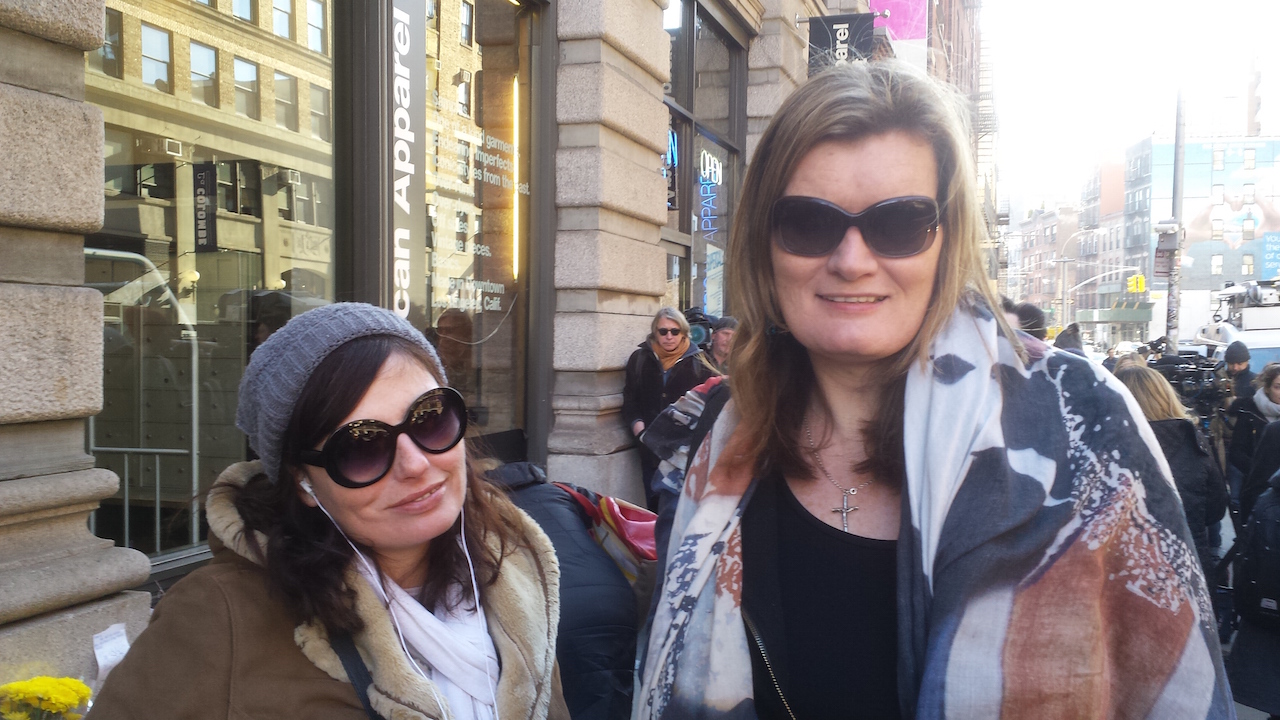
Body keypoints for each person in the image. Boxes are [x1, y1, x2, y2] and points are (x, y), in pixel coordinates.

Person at [634, 60, 1231, 720]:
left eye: (900, 223)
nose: (852, 259)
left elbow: (1174, 688)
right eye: (809, 221)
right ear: (763, 242)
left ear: (946, 241)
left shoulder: (1080, 419)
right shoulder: (714, 441)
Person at [89, 303, 567, 720]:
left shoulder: (513, 570)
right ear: (302, 481)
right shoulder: (221, 615)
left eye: (430, 418)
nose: (417, 465)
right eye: (361, 447)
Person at [1114, 364, 1228, 575]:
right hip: (1188, 569)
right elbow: (1215, 510)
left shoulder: (1105, 449)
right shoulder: (1193, 440)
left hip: (1126, 573)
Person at [622, 307, 716, 509]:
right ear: (655, 332)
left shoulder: (702, 362)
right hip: (650, 452)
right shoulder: (639, 359)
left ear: (683, 332)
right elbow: (630, 401)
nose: (669, 337)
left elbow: (712, 408)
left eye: (675, 331)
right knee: (654, 512)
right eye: (663, 331)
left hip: (686, 455)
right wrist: (640, 430)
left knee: (680, 512)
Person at [1228, 361, 1280, 515]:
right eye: (1278, 387)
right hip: (1257, 487)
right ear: (1267, 388)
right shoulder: (1250, 410)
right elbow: (1236, 451)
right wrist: (1259, 471)